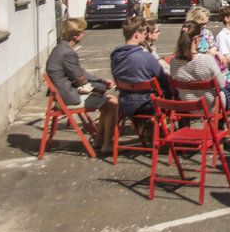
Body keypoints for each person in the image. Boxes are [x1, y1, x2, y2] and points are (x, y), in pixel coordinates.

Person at [46, 17, 118, 153]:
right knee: (113, 103)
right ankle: (107, 144)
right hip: (67, 99)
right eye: (83, 32)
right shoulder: (68, 53)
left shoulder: (60, 49)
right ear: (75, 35)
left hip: (60, 96)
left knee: (106, 102)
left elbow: (80, 73)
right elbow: (80, 79)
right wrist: (102, 86)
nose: (84, 34)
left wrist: (101, 81)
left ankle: (98, 140)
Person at [110, 16, 171, 122]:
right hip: (146, 104)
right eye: (144, 33)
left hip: (124, 102)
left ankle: (144, 127)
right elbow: (164, 81)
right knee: (171, 90)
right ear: (137, 34)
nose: (145, 35)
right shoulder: (146, 56)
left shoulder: (115, 56)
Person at [170, 21, 230, 110]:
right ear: (197, 39)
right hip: (211, 106)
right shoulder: (207, 59)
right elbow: (221, 85)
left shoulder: (174, 62)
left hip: (187, 106)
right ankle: (223, 121)